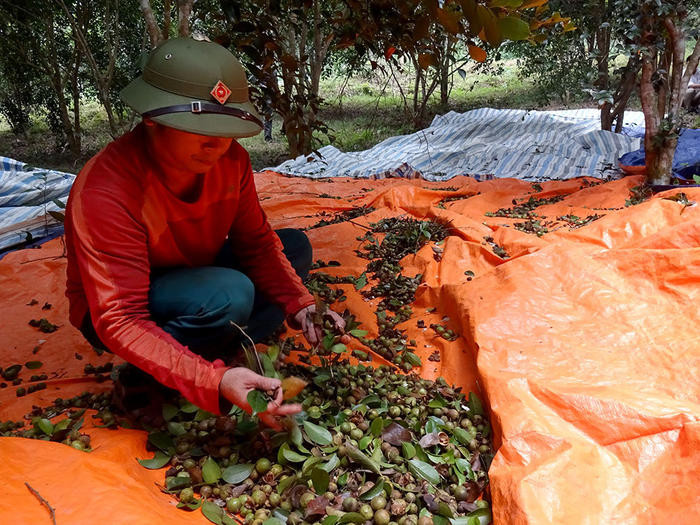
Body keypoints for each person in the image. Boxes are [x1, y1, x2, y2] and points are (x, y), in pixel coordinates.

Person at [64, 36, 345, 428]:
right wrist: (211, 380)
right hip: (119, 304)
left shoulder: (232, 162)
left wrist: (301, 304)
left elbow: (257, 242)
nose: (215, 145)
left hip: (195, 272)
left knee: (294, 247)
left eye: (225, 129)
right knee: (230, 294)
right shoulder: (105, 189)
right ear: (153, 120)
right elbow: (120, 317)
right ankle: (143, 378)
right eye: (198, 130)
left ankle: (217, 351)